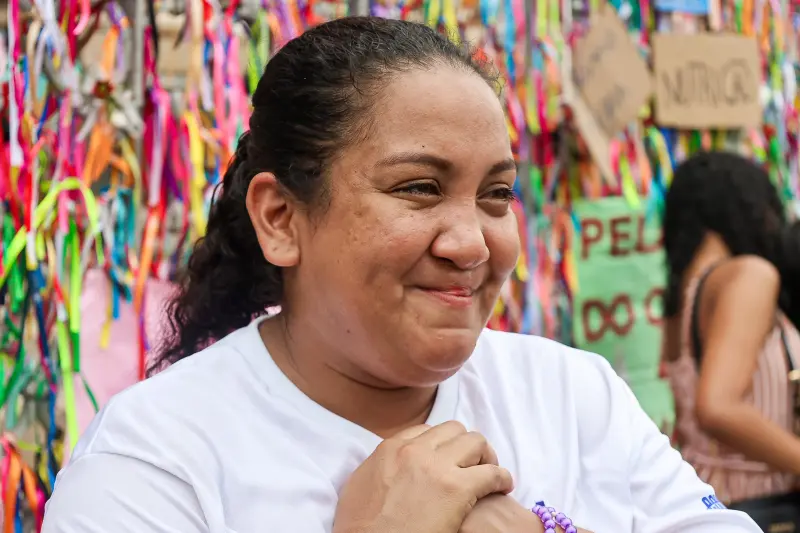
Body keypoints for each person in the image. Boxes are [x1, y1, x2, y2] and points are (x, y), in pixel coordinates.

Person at [43, 18, 759, 533]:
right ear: (282, 219)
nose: (471, 242)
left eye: (496, 194)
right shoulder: (153, 464)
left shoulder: (572, 395)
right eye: (418, 187)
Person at [662, 151, 800, 505]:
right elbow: (717, 407)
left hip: (703, 499)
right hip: (757, 504)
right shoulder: (749, 275)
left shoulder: (681, 297)